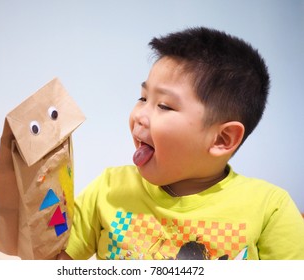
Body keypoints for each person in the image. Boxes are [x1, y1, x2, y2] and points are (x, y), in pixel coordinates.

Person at [58, 27, 304, 260]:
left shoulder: (270, 208)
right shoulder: (109, 189)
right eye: (142, 98)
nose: (140, 115)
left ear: (222, 139)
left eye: (164, 105)